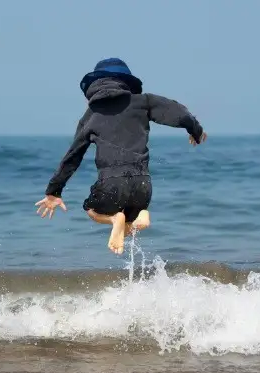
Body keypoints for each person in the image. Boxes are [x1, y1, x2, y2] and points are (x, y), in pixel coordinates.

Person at [35, 58, 207, 255]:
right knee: (130, 220)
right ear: (126, 82)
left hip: (111, 183)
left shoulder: (90, 115)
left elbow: (73, 157)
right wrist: (196, 131)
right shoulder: (143, 102)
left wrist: (54, 192)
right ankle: (141, 215)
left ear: (95, 85)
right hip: (143, 184)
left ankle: (114, 219)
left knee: (92, 209)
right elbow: (180, 114)